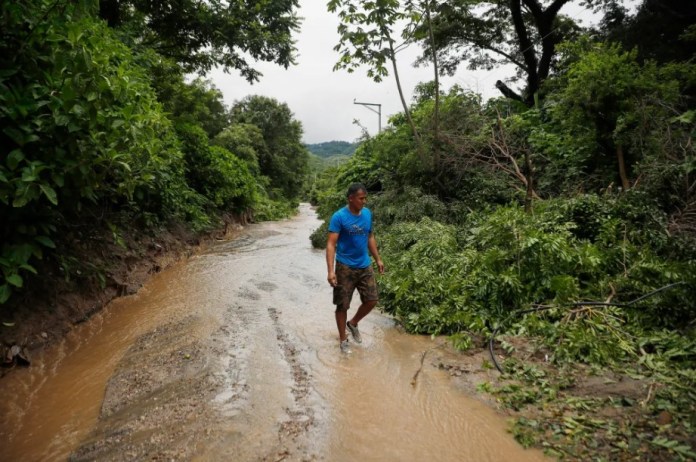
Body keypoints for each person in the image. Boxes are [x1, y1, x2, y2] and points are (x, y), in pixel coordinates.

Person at [326, 183, 385, 353]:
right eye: (361, 198)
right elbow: (331, 244)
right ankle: (343, 339)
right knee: (342, 305)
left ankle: (352, 323)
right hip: (345, 266)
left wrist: (378, 259)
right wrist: (331, 271)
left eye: (365, 198)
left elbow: (370, 236)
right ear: (351, 198)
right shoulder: (339, 217)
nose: (364, 202)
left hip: (365, 265)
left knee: (372, 300)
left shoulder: (367, 214)